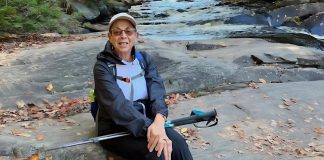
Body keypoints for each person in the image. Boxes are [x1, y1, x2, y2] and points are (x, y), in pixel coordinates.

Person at [93, 13, 193, 160]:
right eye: (117, 32)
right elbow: (117, 107)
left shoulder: (145, 60)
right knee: (157, 154)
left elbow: (157, 93)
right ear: (110, 36)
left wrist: (159, 120)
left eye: (128, 31)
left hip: (149, 122)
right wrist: (152, 130)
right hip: (115, 128)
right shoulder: (102, 67)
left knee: (180, 145)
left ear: (136, 35)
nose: (123, 35)